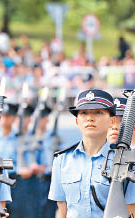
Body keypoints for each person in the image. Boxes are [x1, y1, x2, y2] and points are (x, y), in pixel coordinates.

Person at [49, 89, 135, 217]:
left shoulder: (125, 161)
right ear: (77, 121)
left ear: (111, 121)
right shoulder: (62, 160)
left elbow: (131, 210)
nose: (90, 118)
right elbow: (62, 211)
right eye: (84, 113)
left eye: (98, 112)